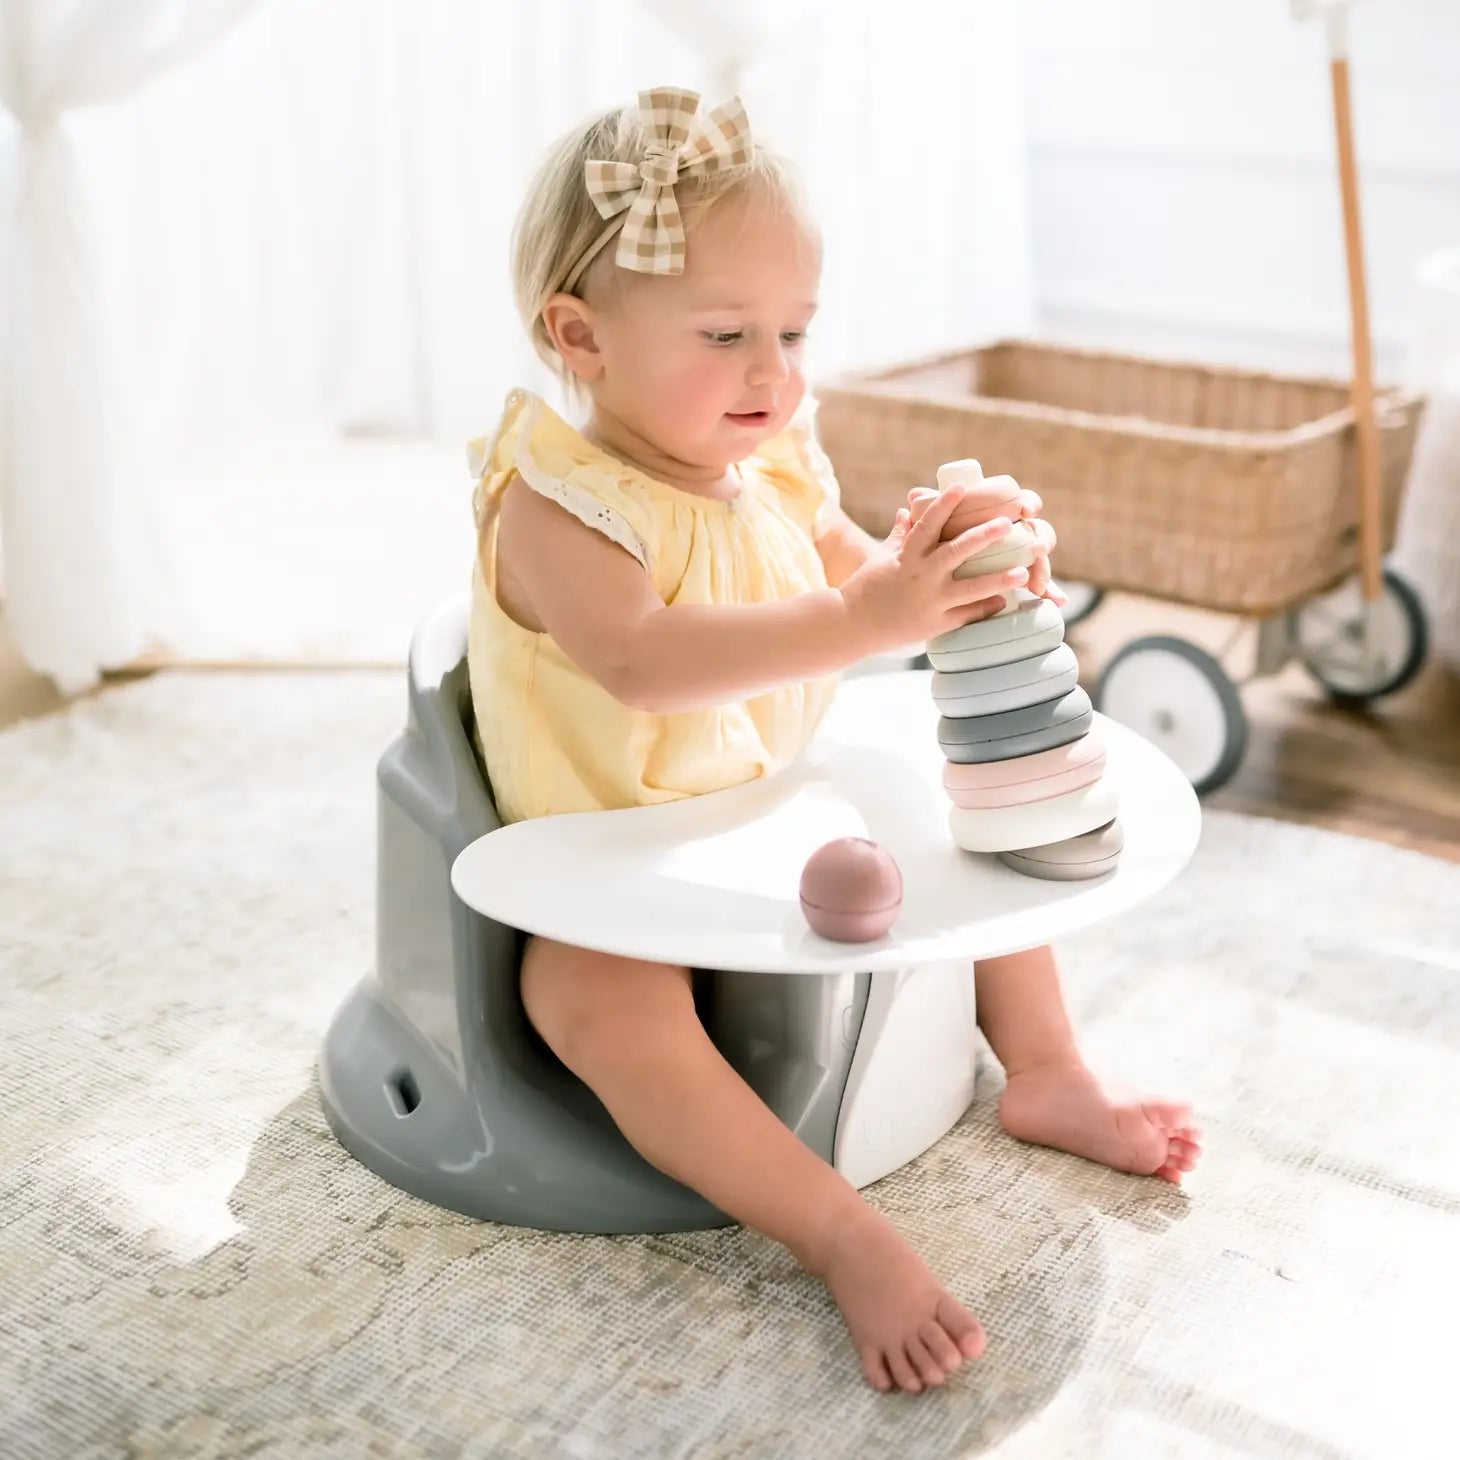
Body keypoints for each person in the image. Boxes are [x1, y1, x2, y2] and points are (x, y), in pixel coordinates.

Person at [466, 88, 1202, 1395]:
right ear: (578, 336)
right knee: (585, 1002)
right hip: (607, 845)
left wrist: (943, 577)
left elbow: (853, 581)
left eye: (796, 330)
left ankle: (1049, 1070)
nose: (774, 371)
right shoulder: (559, 505)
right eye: (727, 333)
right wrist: (864, 611)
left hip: (769, 791)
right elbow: (643, 666)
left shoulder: (774, 458)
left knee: (966, 812)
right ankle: (836, 1229)